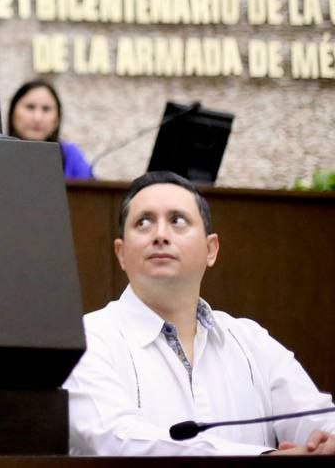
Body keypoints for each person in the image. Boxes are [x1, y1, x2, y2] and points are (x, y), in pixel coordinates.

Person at [63, 171, 335, 456]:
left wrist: (328, 438)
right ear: (120, 253)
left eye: (177, 221)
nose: (160, 235)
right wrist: (262, 457)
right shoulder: (88, 339)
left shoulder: (250, 340)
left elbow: (314, 415)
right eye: (144, 222)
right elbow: (117, 440)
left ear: (210, 249)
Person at [7, 79, 93, 179]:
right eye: (30, 107)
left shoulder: (70, 155)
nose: (37, 118)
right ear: (13, 112)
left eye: (46, 109)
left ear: (57, 118)